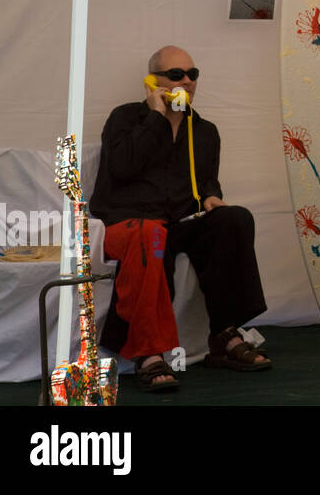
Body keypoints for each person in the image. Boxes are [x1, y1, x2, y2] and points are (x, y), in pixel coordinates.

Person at [89, 46, 270, 391]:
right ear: (153, 81)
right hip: (130, 222)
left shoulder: (204, 131)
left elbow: (207, 181)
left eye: (192, 74)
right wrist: (157, 116)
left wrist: (212, 196)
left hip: (180, 222)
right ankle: (147, 352)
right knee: (151, 234)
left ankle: (224, 333)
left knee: (235, 219)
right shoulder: (125, 118)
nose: (186, 82)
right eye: (176, 75)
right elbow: (123, 167)